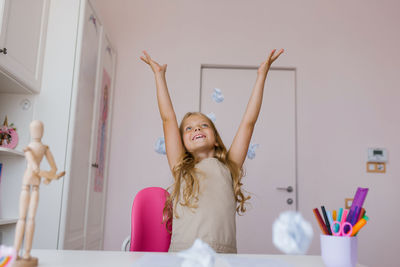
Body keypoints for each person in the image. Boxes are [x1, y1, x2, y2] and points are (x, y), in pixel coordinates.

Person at [140, 49, 283, 253]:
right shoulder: (180, 166)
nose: (196, 129)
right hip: (183, 254)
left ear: (216, 139)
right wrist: (159, 76)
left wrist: (262, 75)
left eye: (203, 125)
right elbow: (168, 118)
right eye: (189, 128)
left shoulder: (229, 166)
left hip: (224, 255)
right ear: (182, 143)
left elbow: (248, 122)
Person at [13, 120, 65, 265]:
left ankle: (25, 253)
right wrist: (48, 176)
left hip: (31, 182)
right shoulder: (36, 148)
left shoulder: (35, 148)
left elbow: (48, 168)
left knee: (27, 219)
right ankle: (18, 252)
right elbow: (39, 168)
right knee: (25, 219)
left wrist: (49, 176)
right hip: (32, 182)